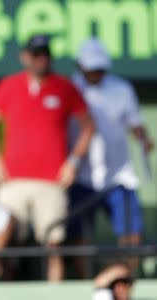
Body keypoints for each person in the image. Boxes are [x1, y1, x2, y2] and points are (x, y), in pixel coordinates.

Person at [0, 34, 94, 281]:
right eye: (35, 54)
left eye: (45, 54)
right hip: (12, 179)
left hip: (51, 180)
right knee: (5, 241)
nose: (41, 59)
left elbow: (87, 126)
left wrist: (73, 162)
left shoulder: (64, 86)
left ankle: (54, 295)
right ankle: (1, 292)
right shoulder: (9, 85)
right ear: (25, 57)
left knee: (53, 245)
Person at [68, 38, 153, 250]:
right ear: (80, 66)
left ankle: (126, 278)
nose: (96, 74)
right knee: (78, 236)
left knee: (131, 233)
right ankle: (84, 279)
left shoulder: (121, 88)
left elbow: (135, 123)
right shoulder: (69, 88)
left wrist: (143, 137)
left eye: (100, 69)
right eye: (91, 69)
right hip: (80, 176)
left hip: (118, 174)